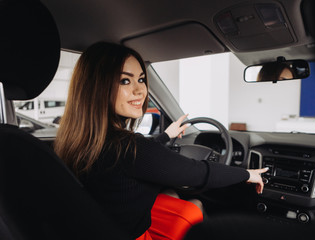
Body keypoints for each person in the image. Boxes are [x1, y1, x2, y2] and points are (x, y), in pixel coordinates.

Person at [54, 41, 268, 240]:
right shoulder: (130, 147)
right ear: (97, 87)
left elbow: (136, 159)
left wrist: (167, 136)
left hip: (103, 228)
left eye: (140, 79)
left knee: (170, 193)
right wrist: (247, 174)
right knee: (195, 205)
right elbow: (198, 172)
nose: (140, 90)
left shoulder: (78, 139)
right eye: (125, 80)